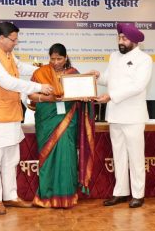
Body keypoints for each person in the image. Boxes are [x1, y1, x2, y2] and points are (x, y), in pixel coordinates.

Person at [0, 22, 53, 215]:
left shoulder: (8, 54)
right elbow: (7, 81)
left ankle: (11, 196)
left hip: (11, 114)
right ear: (2, 38)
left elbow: (22, 67)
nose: (15, 43)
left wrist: (45, 69)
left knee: (12, 159)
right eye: (13, 39)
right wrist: (38, 87)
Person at [28, 43, 95, 208]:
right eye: (52, 58)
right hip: (46, 119)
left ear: (66, 58)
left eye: (59, 58)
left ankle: (66, 197)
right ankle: (46, 196)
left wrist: (85, 98)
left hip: (67, 119)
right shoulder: (40, 73)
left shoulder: (74, 74)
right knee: (47, 157)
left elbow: (83, 94)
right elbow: (31, 95)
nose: (56, 62)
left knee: (67, 154)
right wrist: (46, 98)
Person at [95, 23, 153, 208]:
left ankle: (138, 194)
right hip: (115, 114)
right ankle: (120, 192)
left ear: (134, 41)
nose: (121, 41)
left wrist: (111, 96)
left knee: (135, 156)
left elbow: (138, 86)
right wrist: (97, 76)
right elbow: (109, 79)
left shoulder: (144, 59)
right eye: (119, 38)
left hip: (133, 116)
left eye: (124, 39)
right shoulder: (114, 57)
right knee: (118, 155)